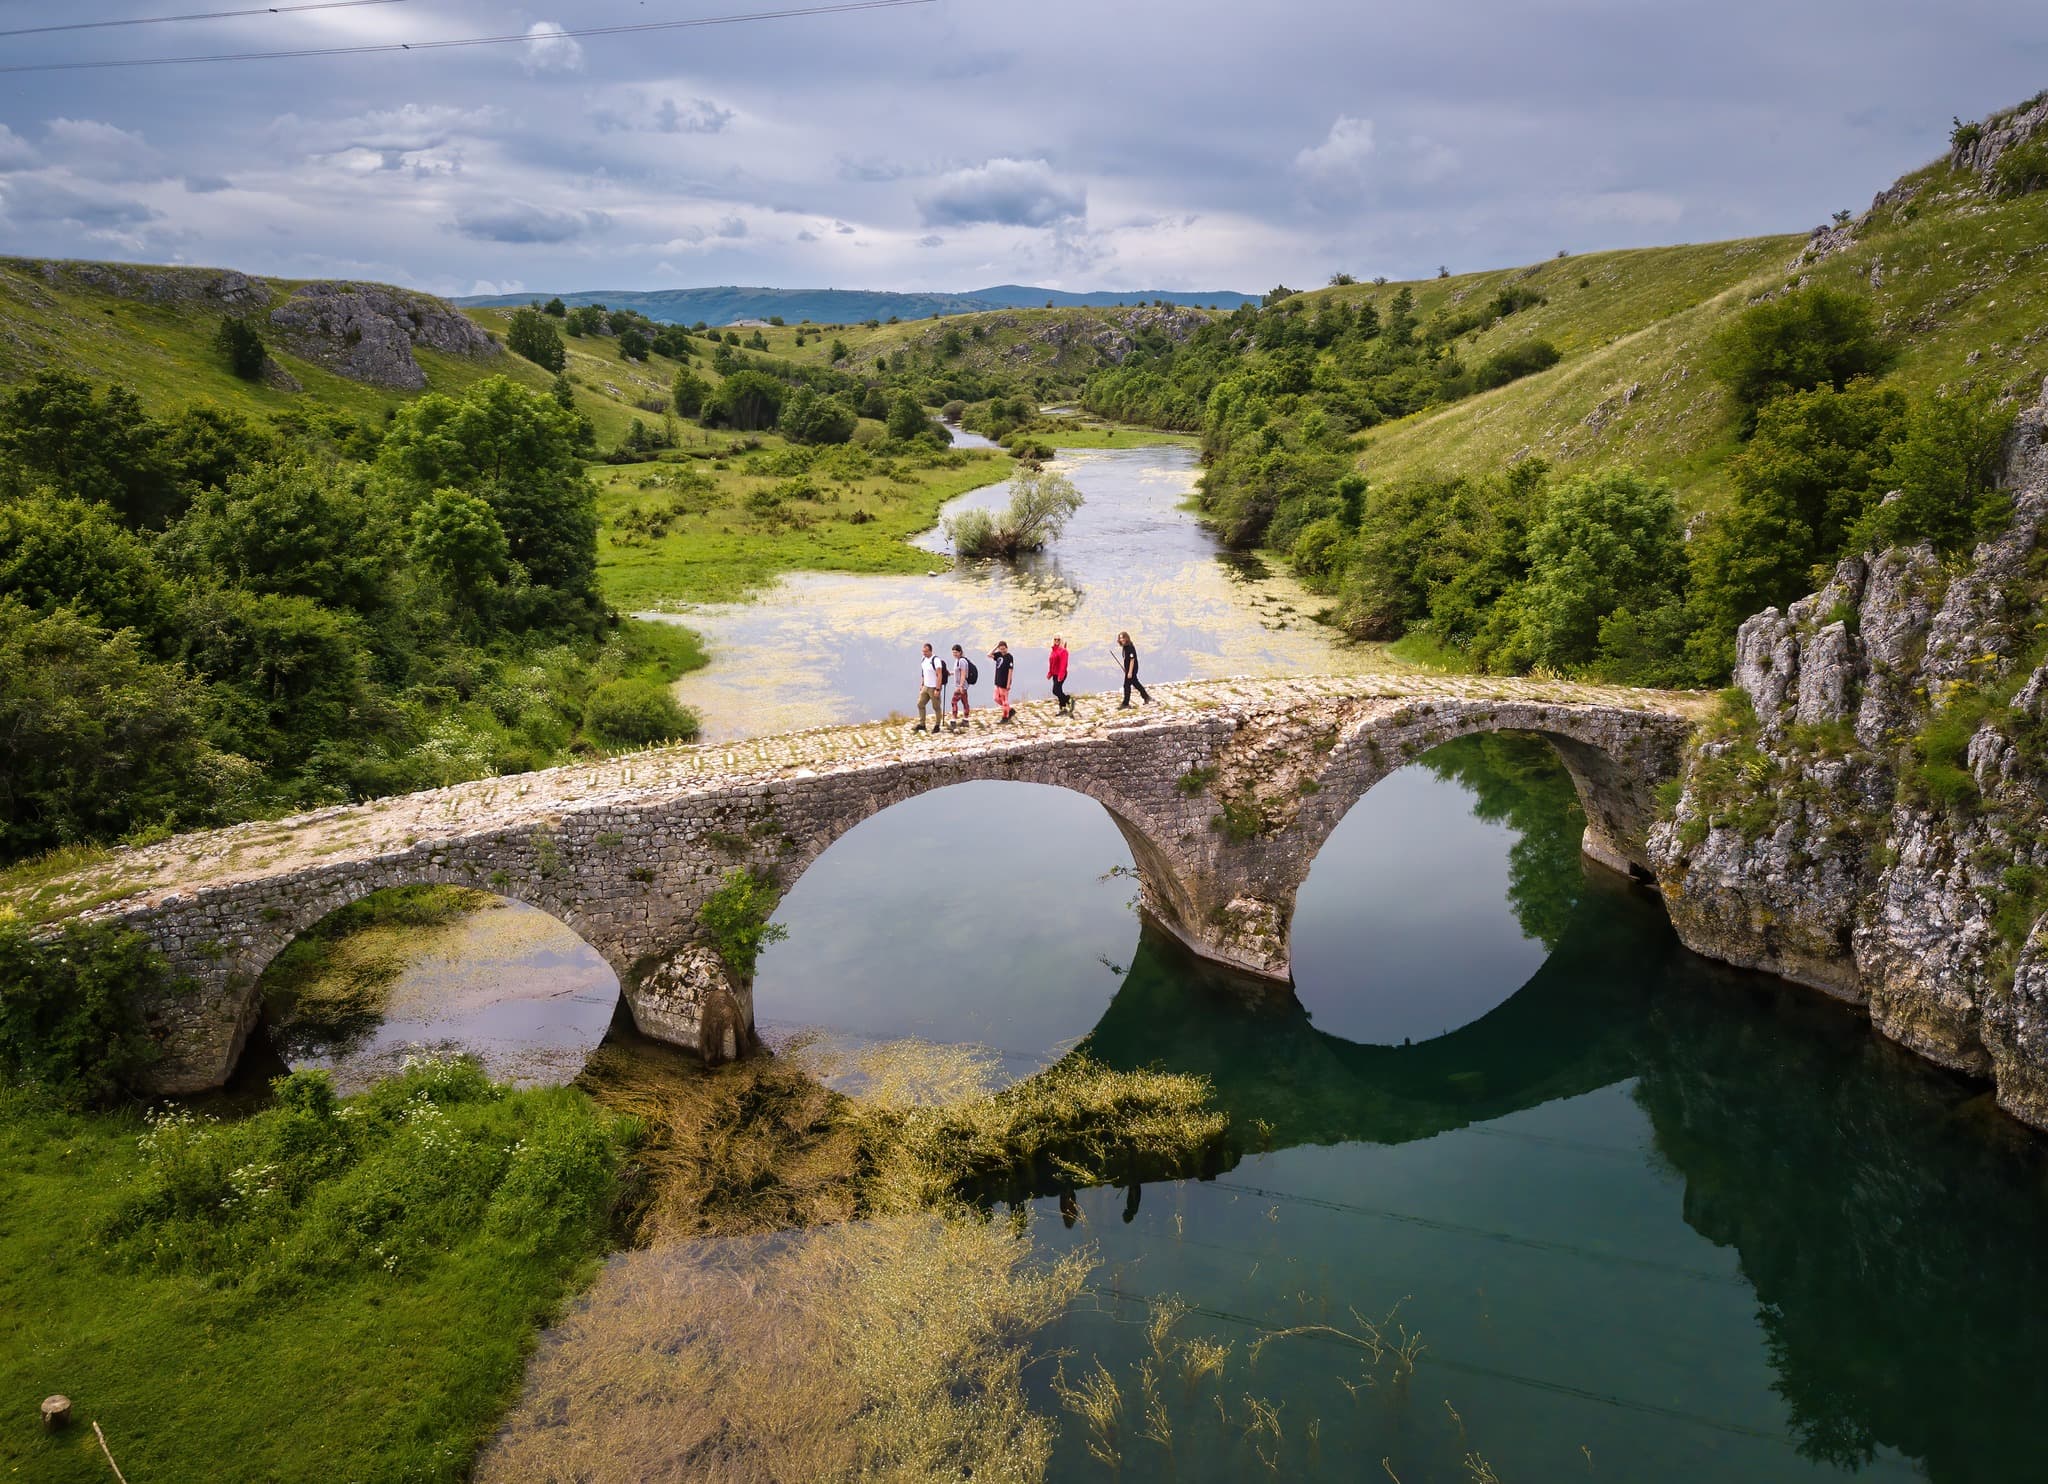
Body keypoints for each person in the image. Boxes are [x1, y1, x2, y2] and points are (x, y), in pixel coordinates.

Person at [1115, 630, 1151, 707]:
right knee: (1136, 683)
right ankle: (1146, 697)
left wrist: (1130, 672)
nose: (1122, 639)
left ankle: (1125, 703)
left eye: (1123, 638)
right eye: (1120, 638)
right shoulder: (1125, 647)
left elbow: (1132, 660)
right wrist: (1126, 669)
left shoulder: (1130, 647)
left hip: (1132, 669)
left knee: (1126, 685)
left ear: (1127, 638)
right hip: (1129, 669)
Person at [915, 643, 943, 732]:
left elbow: (939, 675)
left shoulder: (936, 660)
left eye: (926, 651)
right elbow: (923, 672)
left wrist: (937, 689)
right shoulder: (923, 659)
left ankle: (937, 725)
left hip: (934, 687)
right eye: (923, 651)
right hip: (926, 686)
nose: (924, 653)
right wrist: (922, 684)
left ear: (931, 651)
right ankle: (922, 724)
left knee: (936, 707)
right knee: (920, 704)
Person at [988, 640, 1017, 723]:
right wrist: (996, 647)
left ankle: (1005, 717)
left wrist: (1008, 683)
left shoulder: (1009, 657)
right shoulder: (998, 655)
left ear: (1007, 648)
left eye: (1004, 649)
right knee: (996, 698)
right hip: (997, 681)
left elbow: (1010, 671)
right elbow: (989, 654)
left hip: (1004, 682)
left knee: (1004, 701)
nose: (1002, 651)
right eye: (1001, 649)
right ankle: (1010, 710)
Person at [949, 643, 972, 726]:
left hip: (961, 685)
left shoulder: (961, 661)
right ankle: (966, 720)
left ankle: (954, 720)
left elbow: (963, 674)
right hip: (963, 685)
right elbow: (957, 672)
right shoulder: (958, 661)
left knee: (954, 701)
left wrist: (960, 686)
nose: (954, 654)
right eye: (953, 652)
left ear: (960, 652)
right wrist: (951, 673)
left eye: (956, 652)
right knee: (964, 701)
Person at [1048, 634, 1071, 713]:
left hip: (1061, 674)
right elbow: (1051, 663)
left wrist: (1061, 675)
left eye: (1058, 639)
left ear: (1061, 640)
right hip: (1054, 674)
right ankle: (1063, 707)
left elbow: (1063, 664)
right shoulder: (1053, 650)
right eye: (1055, 639)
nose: (1056, 641)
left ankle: (1067, 698)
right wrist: (1050, 673)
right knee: (1059, 690)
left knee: (1055, 690)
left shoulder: (1063, 651)